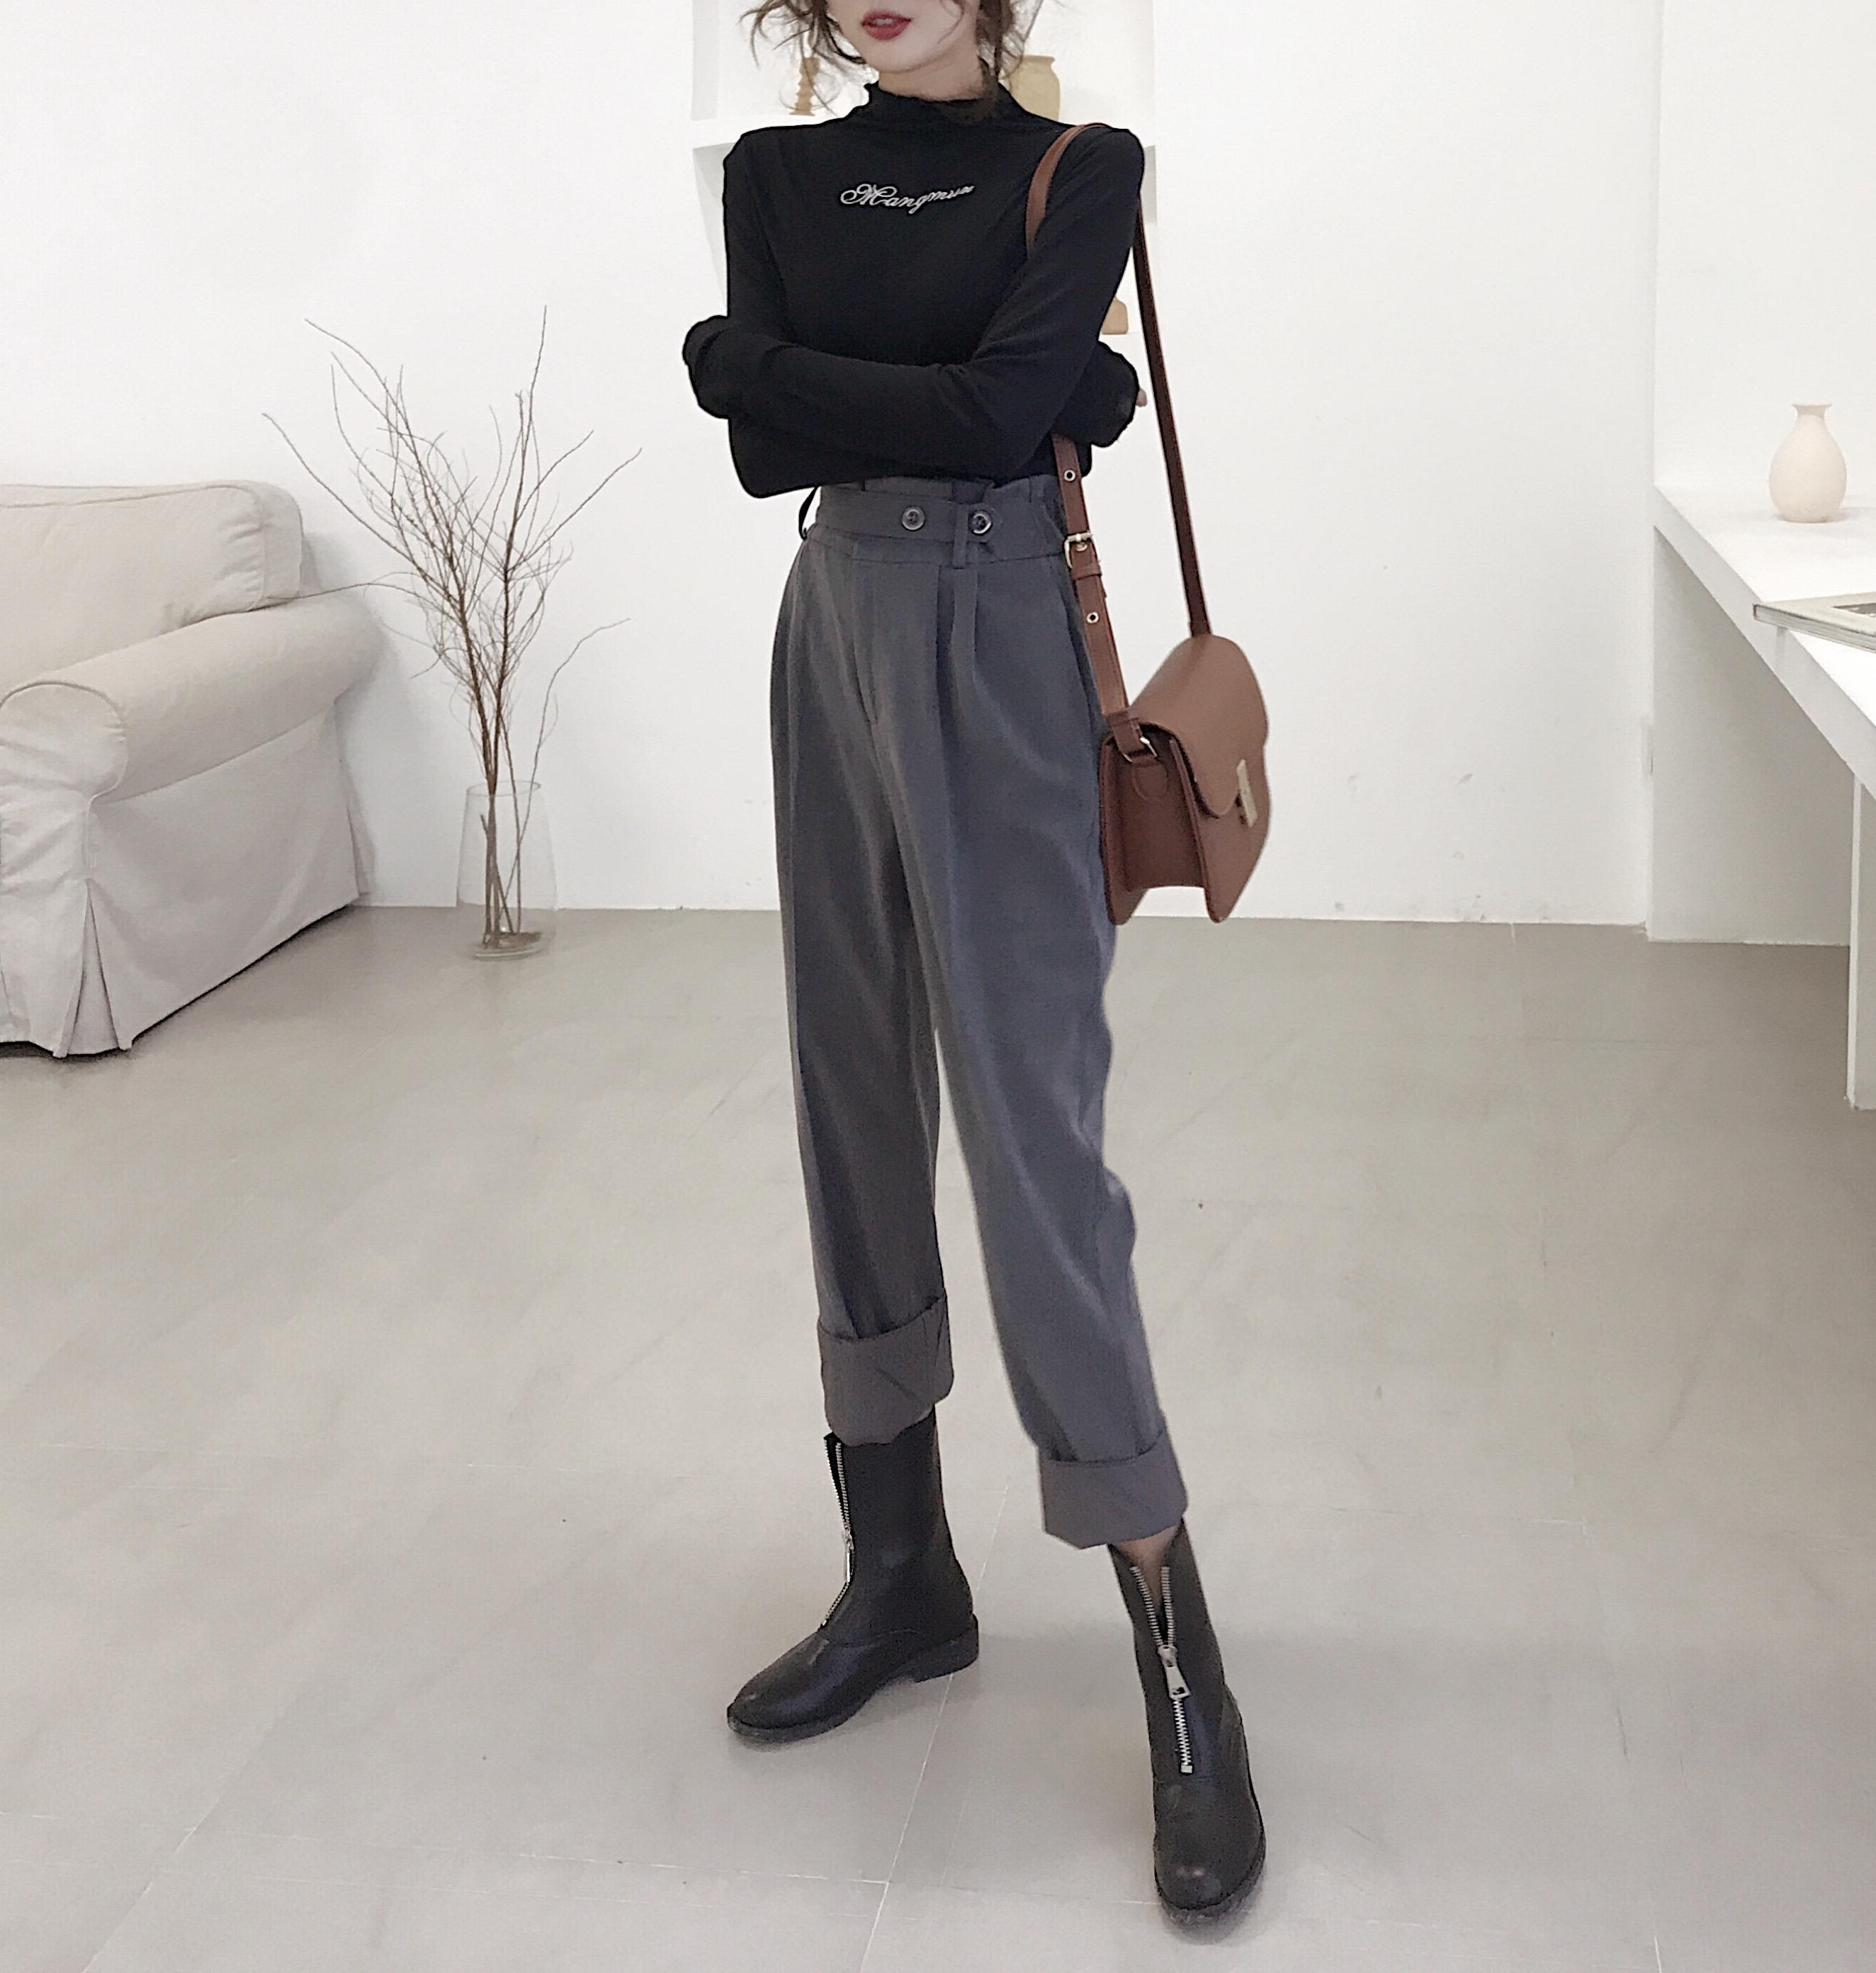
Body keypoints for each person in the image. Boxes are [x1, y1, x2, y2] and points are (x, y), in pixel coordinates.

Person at [680, 0, 1265, 1922]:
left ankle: (1174, 1645)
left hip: (1005, 628)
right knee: (847, 1091)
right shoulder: (776, 173)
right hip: (832, 622)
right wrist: (992, 385)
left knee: (1033, 1144)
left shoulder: (1076, 170)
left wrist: (774, 365)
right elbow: (770, 453)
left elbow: (954, 418)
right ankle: (901, 1572)